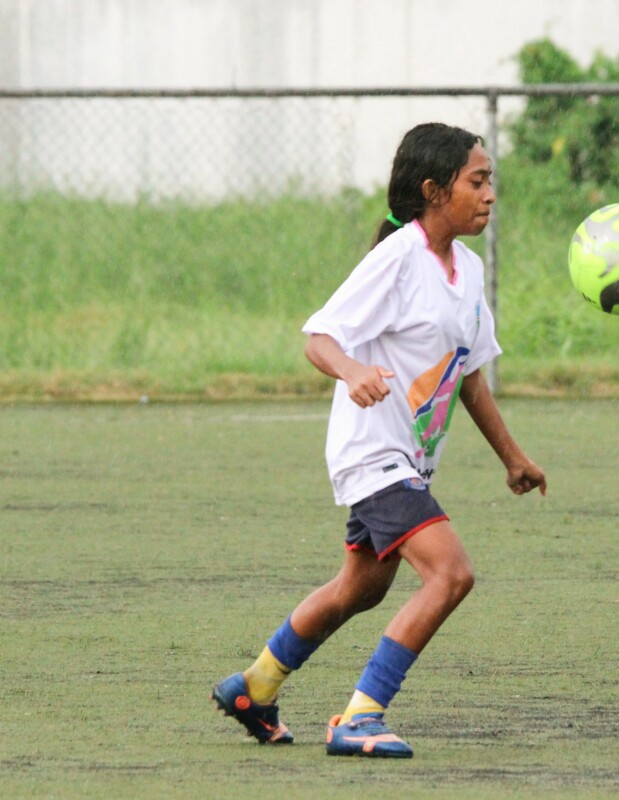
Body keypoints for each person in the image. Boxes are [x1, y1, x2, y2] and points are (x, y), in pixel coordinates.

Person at [211, 122, 546, 757]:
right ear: (433, 190)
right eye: (477, 181)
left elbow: (467, 375)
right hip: (373, 453)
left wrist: (513, 457)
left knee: (361, 587)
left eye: (490, 181)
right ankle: (360, 716)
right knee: (451, 574)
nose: (489, 194)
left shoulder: (468, 272)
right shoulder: (396, 259)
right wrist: (354, 370)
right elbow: (320, 337)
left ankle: (253, 686)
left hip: (410, 458)